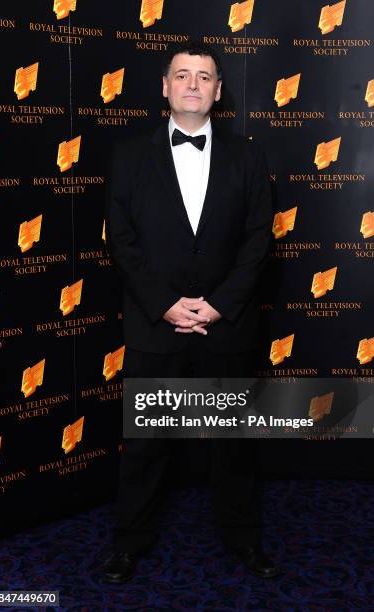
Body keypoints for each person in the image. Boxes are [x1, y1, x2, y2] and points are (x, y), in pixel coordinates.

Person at [103, 42, 280, 583]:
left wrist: (220, 306)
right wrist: (166, 305)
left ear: (218, 91)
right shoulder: (129, 155)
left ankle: (243, 540)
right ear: (165, 86)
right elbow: (123, 241)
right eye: (182, 75)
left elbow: (257, 240)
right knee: (146, 445)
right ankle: (129, 542)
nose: (193, 84)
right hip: (158, 326)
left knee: (233, 447)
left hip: (226, 327)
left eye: (204, 77)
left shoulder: (248, 156)